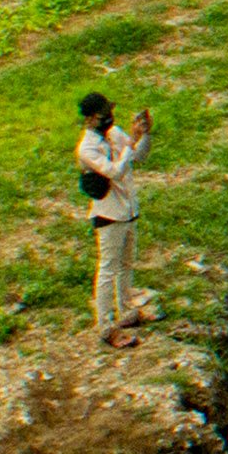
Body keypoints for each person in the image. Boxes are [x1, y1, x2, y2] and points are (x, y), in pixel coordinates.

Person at [74, 91, 153, 349]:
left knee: (126, 262)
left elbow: (138, 156)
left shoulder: (115, 133)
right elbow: (116, 172)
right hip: (108, 214)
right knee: (107, 268)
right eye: (103, 114)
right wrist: (129, 148)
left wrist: (143, 136)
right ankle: (106, 326)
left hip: (128, 209)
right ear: (91, 119)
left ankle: (126, 311)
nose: (109, 117)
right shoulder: (87, 148)